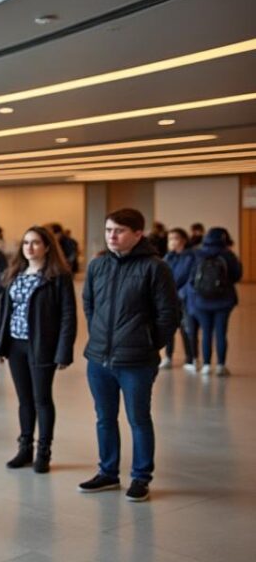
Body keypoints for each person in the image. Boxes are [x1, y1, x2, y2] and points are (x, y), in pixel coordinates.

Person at [79, 208, 177, 503]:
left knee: (138, 419)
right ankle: (108, 472)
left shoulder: (155, 268)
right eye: (109, 230)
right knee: (104, 418)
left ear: (138, 234)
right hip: (98, 359)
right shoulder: (97, 266)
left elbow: (169, 315)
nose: (112, 236)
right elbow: (89, 304)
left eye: (119, 231)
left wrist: (148, 344)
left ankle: (141, 477)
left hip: (136, 361)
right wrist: (99, 337)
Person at [0, 226, 76, 474]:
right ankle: (25, 447)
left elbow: (68, 315)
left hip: (42, 346)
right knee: (24, 400)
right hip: (15, 345)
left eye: (36, 242)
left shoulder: (58, 276)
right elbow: (5, 312)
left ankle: (44, 451)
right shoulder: (15, 273)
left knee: (42, 399)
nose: (29, 247)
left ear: (47, 247)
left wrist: (64, 350)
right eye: (26, 242)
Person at [188, 227, 242, 377]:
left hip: (201, 300)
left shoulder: (197, 253)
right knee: (221, 332)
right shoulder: (228, 254)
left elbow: (191, 278)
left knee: (206, 332)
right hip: (224, 299)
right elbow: (237, 275)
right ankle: (220, 366)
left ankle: (206, 365)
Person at [163, 228, 197, 370]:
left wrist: (175, 290)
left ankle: (191, 358)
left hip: (184, 298)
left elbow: (185, 276)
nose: (172, 242)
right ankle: (168, 356)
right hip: (169, 298)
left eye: (175, 238)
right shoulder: (168, 257)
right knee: (168, 328)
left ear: (183, 240)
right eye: (170, 239)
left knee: (186, 329)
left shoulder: (190, 256)